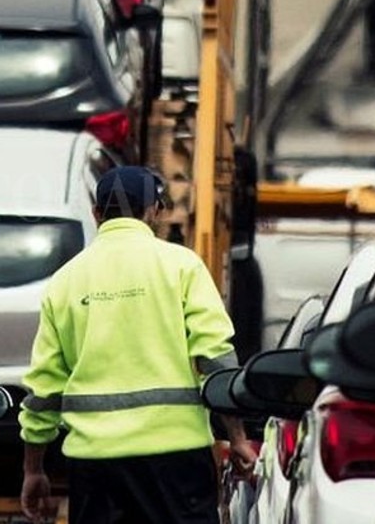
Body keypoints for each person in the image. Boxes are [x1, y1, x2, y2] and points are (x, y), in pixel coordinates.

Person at [19, 166, 257, 524]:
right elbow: (215, 358)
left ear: (97, 214)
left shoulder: (64, 281)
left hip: (96, 467)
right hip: (177, 460)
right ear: (156, 210)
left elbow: (44, 388)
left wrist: (33, 469)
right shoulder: (182, 267)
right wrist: (236, 436)